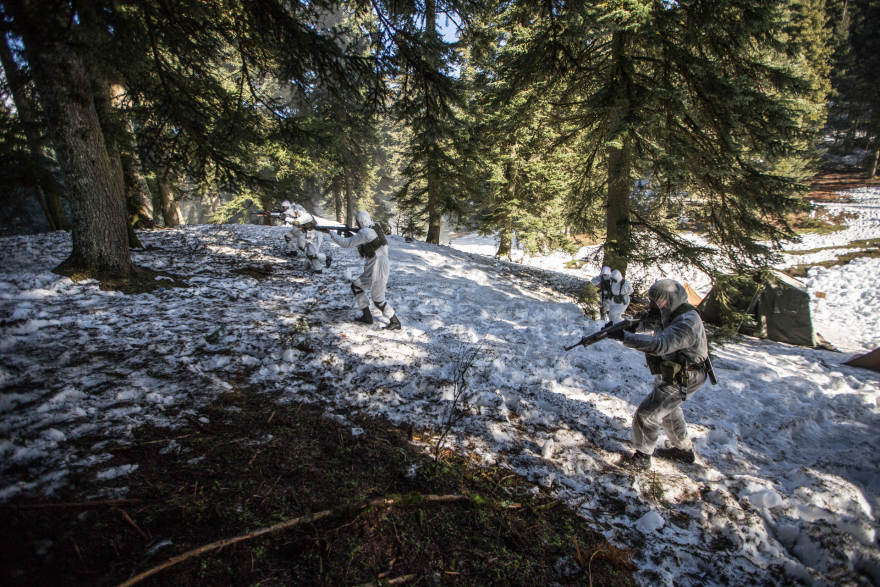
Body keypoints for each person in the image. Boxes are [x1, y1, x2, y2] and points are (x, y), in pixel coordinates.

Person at [606, 279, 709, 471]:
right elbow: (651, 322)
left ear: (668, 300)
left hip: (685, 376)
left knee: (648, 414)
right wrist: (629, 326)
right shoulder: (670, 312)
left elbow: (660, 344)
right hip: (672, 371)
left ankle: (643, 457)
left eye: (654, 301)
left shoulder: (687, 322)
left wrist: (624, 337)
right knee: (668, 411)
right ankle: (684, 451)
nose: (650, 304)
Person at [322, 211, 401, 330]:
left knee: (378, 299)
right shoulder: (373, 227)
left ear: (361, 221)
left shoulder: (366, 233)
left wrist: (330, 232)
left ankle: (395, 321)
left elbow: (346, 243)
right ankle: (367, 315)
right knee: (356, 287)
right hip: (374, 266)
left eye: (358, 223)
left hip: (378, 267)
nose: (357, 225)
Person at [282, 202, 332, 273]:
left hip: (316, 235)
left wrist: (286, 218)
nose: (295, 214)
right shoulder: (302, 216)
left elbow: (297, 222)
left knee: (312, 254)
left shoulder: (306, 216)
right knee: (310, 253)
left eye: (296, 213)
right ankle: (318, 270)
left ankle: (326, 258)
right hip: (310, 235)